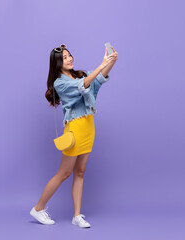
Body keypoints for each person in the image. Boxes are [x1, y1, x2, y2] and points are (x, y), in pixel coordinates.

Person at [29, 44, 118, 228]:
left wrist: (110, 61)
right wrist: (101, 66)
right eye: (64, 58)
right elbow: (82, 86)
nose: (69, 59)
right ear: (57, 63)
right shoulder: (60, 83)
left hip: (88, 126)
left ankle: (77, 216)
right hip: (74, 129)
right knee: (64, 173)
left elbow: (98, 78)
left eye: (69, 55)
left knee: (80, 172)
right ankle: (38, 208)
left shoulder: (80, 73)